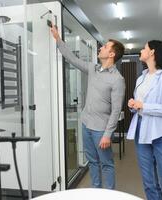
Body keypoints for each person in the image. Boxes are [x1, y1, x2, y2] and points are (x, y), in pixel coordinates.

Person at [51, 25, 125, 189]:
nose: (101, 47)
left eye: (105, 47)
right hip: (86, 125)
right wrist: (58, 39)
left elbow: (115, 111)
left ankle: (109, 195)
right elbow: (72, 58)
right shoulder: (93, 69)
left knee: (106, 164)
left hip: (101, 130)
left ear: (111, 54)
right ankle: (96, 192)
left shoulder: (117, 79)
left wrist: (107, 134)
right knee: (92, 162)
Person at [127, 40, 162, 200]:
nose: (141, 51)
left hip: (161, 135)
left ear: (152, 52)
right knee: (150, 184)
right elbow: (139, 107)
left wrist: (144, 106)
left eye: (144, 48)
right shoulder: (141, 78)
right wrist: (133, 106)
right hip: (141, 133)